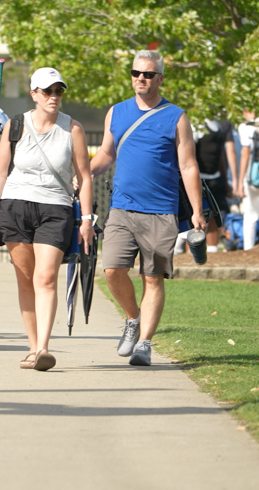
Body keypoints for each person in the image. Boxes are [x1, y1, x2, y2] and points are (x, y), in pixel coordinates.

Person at [90, 50, 206, 366]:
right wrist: (84, 172)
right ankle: (132, 318)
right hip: (122, 210)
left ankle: (144, 343)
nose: (141, 78)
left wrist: (197, 210)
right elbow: (105, 154)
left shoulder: (176, 117)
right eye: (136, 73)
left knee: (152, 277)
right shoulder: (116, 112)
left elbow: (189, 165)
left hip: (161, 213)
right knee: (112, 270)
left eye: (148, 74)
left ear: (160, 78)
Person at [0, 68, 93, 371]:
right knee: (25, 280)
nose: (54, 97)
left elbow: (84, 176)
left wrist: (87, 219)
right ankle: (32, 347)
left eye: (58, 91)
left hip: (55, 209)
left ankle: (43, 347)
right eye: (47, 91)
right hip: (15, 206)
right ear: (34, 95)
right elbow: (0, 172)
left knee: (45, 277)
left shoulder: (73, 129)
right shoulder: (15, 126)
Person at [193, 116, 238, 251]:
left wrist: (225, 181)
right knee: (197, 219)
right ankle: (193, 253)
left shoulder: (218, 127)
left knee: (215, 216)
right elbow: (189, 157)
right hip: (199, 179)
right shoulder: (196, 126)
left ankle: (212, 250)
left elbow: (221, 159)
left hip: (216, 179)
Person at [236, 110, 259, 250]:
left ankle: (248, 248)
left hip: (251, 177)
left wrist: (240, 182)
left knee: (249, 215)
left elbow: (245, 154)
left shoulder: (245, 127)